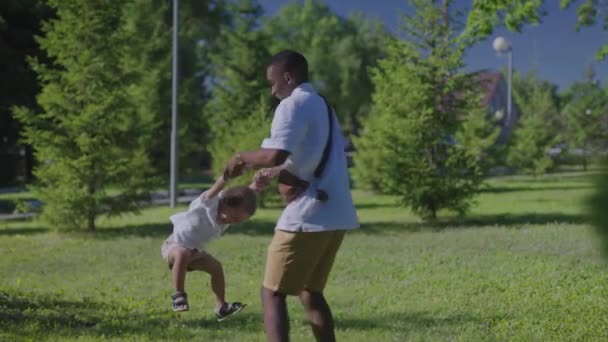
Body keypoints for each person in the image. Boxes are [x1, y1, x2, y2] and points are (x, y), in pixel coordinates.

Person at [223, 50, 359, 342]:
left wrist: (241, 157)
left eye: (273, 83)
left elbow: (274, 154)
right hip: (337, 211)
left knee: (271, 293)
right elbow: (310, 160)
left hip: (308, 214)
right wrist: (282, 174)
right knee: (311, 292)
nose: (272, 91)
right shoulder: (323, 105)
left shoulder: (292, 104)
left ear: (287, 77)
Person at [160, 175, 256, 321]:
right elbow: (219, 185)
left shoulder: (227, 214)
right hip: (174, 245)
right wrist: (228, 174)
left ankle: (221, 307)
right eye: (234, 218)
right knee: (182, 253)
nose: (233, 222)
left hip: (195, 252)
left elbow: (243, 197)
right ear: (225, 202)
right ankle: (178, 296)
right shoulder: (208, 203)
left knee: (216, 268)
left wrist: (257, 183)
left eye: (239, 221)